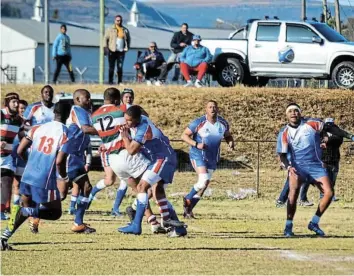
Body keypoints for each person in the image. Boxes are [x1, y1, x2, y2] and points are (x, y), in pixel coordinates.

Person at [1, 102, 72, 251]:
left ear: (54, 112)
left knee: (28, 207)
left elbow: (20, 150)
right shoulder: (66, 132)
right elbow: (59, 161)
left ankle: (3, 238)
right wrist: (65, 178)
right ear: (68, 114)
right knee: (54, 213)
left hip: (28, 175)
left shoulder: (38, 128)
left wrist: (31, 164)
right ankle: (26, 213)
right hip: (45, 179)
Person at [277, 103, 354, 237]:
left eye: (296, 110)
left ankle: (314, 222)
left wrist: (347, 136)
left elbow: (330, 128)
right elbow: (282, 155)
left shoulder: (312, 124)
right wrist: (288, 166)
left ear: (300, 113)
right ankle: (288, 227)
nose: (293, 113)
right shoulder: (284, 132)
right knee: (292, 195)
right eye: (290, 111)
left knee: (329, 193)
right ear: (286, 115)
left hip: (316, 166)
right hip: (298, 167)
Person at [118, 105, 186, 236]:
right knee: (157, 191)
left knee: (142, 187)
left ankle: (136, 225)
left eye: (129, 120)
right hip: (163, 157)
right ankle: (173, 225)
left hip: (162, 158)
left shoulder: (143, 128)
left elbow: (131, 150)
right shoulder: (141, 119)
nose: (126, 123)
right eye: (125, 119)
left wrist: (125, 136)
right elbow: (141, 111)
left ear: (137, 119)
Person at [181, 100, 234, 218]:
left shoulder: (222, 123)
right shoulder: (199, 122)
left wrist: (230, 143)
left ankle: (188, 209)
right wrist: (196, 144)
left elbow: (228, 135)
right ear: (206, 109)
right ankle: (188, 198)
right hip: (198, 155)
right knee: (203, 179)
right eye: (210, 107)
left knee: (203, 186)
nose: (212, 109)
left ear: (218, 108)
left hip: (212, 157)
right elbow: (184, 135)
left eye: (214, 107)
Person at [16, 85, 55, 233]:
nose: (48, 95)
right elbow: (23, 126)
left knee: (42, 186)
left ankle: (34, 216)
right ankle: (26, 213)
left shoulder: (55, 109)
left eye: (50, 93)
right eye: (46, 92)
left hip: (50, 151)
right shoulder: (33, 108)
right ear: (41, 94)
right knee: (29, 187)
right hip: (35, 150)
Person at [58, 89, 96, 233]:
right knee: (61, 194)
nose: (89, 100)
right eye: (87, 98)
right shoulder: (78, 109)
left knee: (86, 187)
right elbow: (86, 129)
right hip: (69, 156)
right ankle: (33, 213)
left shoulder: (86, 112)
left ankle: (78, 223)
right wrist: (108, 132)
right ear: (78, 100)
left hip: (77, 157)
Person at [1, 93, 23, 221]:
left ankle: (1, 211)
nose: (16, 104)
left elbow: (22, 135)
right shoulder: (1, 114)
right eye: (13, 102)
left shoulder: (18, 120)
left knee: (7, 182)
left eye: (17, 102)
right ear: (7, 102)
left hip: (7, 156)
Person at [320, 118, 344, 201]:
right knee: (325, 178)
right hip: (324, 158)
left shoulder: (337, 132)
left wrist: (328, 140)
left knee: (333, 178)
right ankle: (323, 194)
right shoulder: (322, 132)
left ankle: (331, 195)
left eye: (331, 124)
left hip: (335, 158)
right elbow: (320, 141)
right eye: (328, 124)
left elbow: (339, 140)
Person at [104, 15, 131, 85]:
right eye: (117, 20)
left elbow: (128, 39)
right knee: (111, 67)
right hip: (112, 50)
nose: (119, 22)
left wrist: (127, 48)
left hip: (121, 51)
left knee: (120, 67)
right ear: (115, 21)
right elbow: (105, 39)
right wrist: (106, 48)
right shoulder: (110, 29)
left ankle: (119, 81)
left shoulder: (125, 30)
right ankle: (110, 81)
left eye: (120, 20)